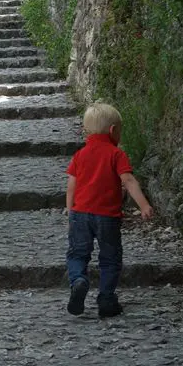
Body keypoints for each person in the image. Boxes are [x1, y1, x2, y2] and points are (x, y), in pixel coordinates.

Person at [66, 102, 153, 318]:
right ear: (113, 130)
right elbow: (129, 180)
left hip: (80, 214)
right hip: (107, 217)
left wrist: (71, 211)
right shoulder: (116, 154)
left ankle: (78, 280)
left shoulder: (80, 155)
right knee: (110, 258)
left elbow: (71, 186)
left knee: (77, 254)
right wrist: (144, 205)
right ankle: (106, 299)